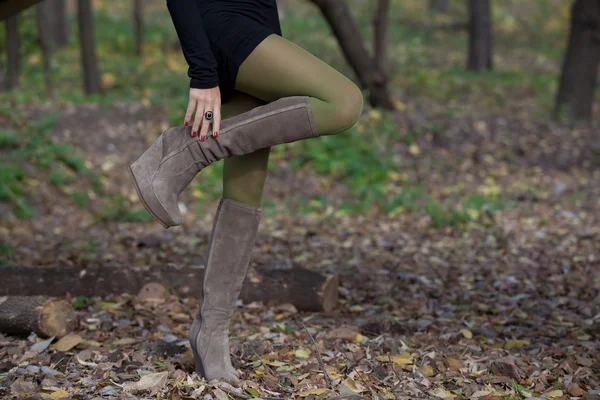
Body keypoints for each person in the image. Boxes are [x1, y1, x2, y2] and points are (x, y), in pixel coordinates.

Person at [127, 0, 364, 386]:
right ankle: (187, 150)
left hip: (259, 25)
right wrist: (202, 72)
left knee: (246, 189)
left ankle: (211, 334)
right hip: (226, 24)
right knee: (344, 102)